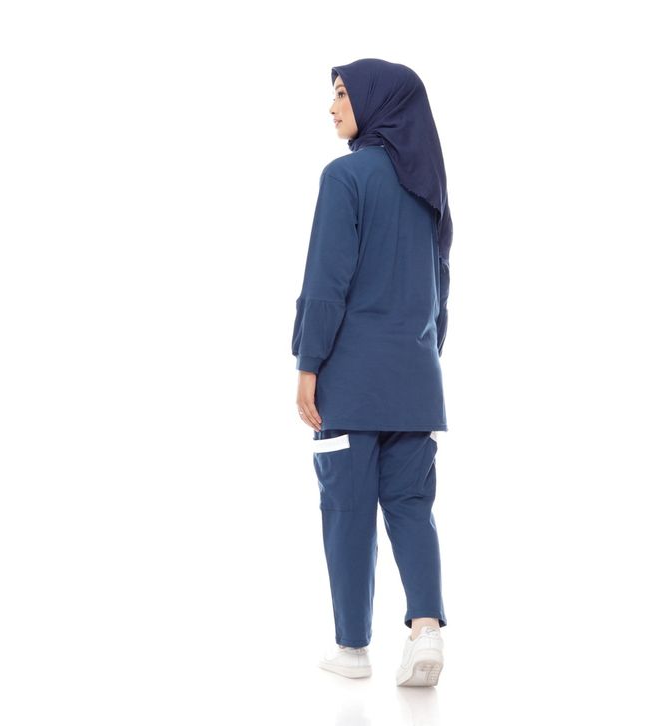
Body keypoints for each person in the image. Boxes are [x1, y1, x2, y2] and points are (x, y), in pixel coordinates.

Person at [291, 58, 453, 687]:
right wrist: (424, 359)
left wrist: (308, 363)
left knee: (347, 508)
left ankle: (353, 648)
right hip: (416, 379)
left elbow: (325, 282)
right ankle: (425, 630)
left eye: (341, 94)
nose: (332, 107)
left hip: (352, 383)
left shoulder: (345, 176)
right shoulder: (426, 184)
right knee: (411, 505)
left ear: (377, 102)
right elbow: (441, 290)